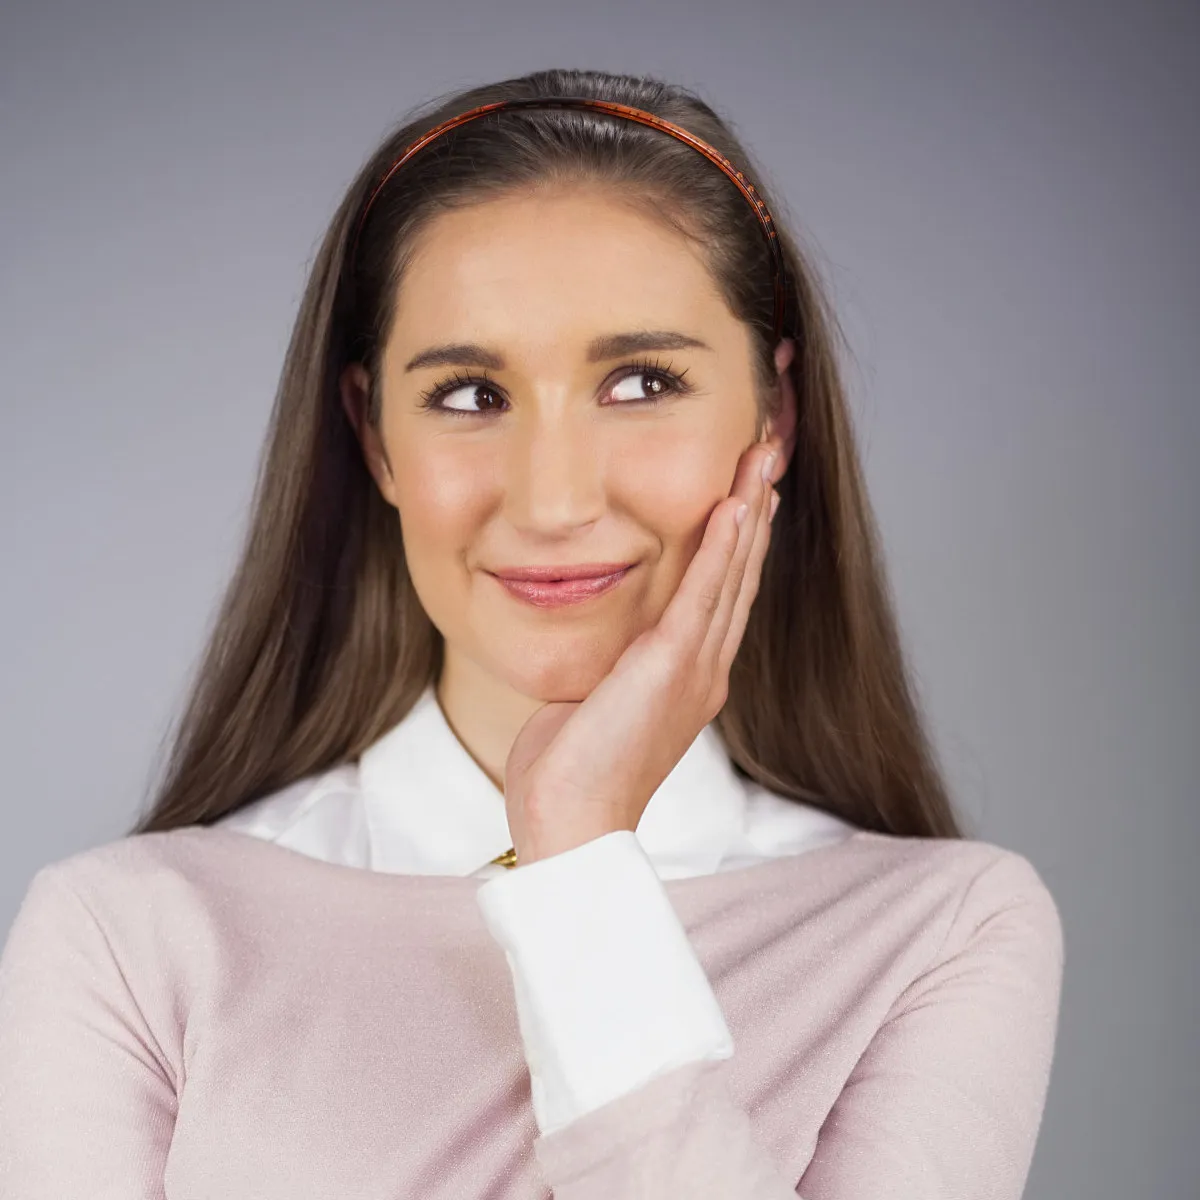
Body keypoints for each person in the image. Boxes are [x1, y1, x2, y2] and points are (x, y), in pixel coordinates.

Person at [0, 68, 1064, 1198]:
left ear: (775, 416)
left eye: (641, 383)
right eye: (471, 395)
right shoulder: (126, 938)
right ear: (375, 437)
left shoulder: (940, 931)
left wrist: (581, 853)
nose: (554, 501)